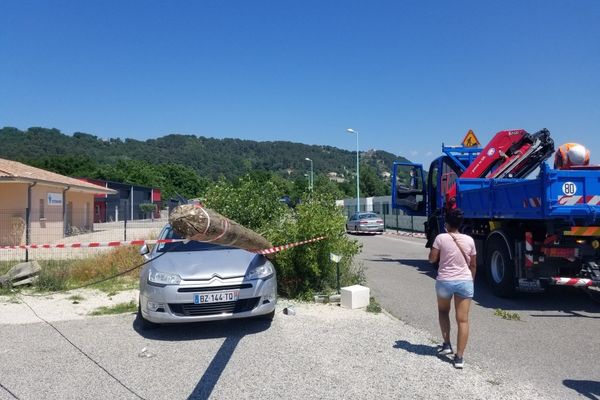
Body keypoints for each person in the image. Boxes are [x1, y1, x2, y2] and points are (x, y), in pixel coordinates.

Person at [428, 208, 476, 369]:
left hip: (445, 281)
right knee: (463, 320)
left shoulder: (440, 238)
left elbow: (432, 259)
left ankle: (447, 344)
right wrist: (470, 281)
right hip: (465, 282)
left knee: (443, 312)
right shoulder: (469, 240)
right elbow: (473, 265)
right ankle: (459, 357)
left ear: (446, 224)